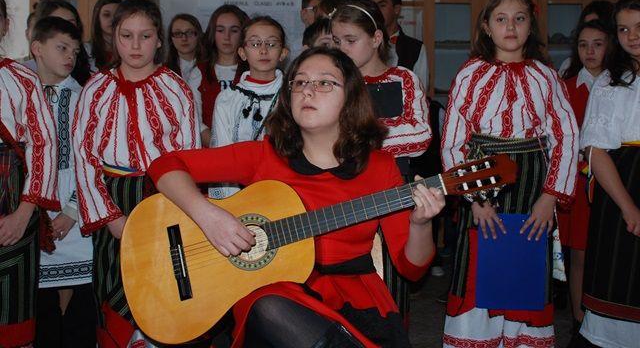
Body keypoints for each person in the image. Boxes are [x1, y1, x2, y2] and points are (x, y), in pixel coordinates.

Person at [148, 47, 445, 347]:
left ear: (351, 97)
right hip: (275, 296)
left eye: (324, 82)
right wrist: (209, 217)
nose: (308, 91)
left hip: (352, 300)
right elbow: (165, 165)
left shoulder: (380, 167)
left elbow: (412, 268)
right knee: (270, 304)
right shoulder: (265, 155)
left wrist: (421, 224)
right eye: (300, 82)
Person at [441, 0, 578, 348]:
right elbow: (454, 141)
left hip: (533, 186)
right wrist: (476, 200)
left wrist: (550, 197)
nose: (511, 27)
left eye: (519, 18)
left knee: (524, 266)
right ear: (487, 27)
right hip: (481, 180)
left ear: (531, 25)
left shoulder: (547, 76)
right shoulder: (469, 74)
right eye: (501, 19)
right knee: (479, 266)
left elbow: (566, 135)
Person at [73, 0, 201, 347]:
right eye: (126, 36)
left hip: (162, 197)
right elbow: (85, 158)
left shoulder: (176, 88)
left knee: (163, 279)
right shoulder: (95, 88)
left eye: (145, 36)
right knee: (113, 280)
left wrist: (177, 208)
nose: (135, 45)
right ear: (113, 37)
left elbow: (189, 157)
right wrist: (111, 218)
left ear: (159, 40)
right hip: (111, 197)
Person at [332, 0, 431, 320]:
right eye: (337, 41)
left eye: (350, 40)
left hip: (395, 189)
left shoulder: (403, 79)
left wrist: (359, 136)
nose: (341, 49)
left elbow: (420, 137)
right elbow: (328, 140)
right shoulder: (334, 82)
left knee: (392, 274)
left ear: (376, 39)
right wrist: (387, 132)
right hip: (343, 189)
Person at [578, 0, 640, 348]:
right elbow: (596, 149)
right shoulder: (609, 81)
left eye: (639, 27)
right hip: (620, 188)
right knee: (620, 279)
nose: (632, 36)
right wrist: (627, 206)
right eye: (623, 29)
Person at [31, 16, 95, 347]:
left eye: (75, 50)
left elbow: (91, 161)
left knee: (78, 308)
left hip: (75, 210)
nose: (70, 56)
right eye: (62, 48)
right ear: (37, 48)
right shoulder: (22, 92)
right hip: (32, 210)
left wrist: (72, 211)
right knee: (41, 310)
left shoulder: (84, 96)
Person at [0, 0, 58, 347]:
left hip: (14, 195)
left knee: (13, 312)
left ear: (5, 25)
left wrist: (25, 213)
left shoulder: (23, 78)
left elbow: (44, 144)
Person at [556, 19, 614, 336]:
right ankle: (578, 323)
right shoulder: (565, 88)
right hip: (578, 182)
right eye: (583, 45)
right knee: (578, 254)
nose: (590, 51)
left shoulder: (619, 85)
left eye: (598, 44)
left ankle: (605, 320)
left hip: (613, 180)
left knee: (608, 253)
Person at [210, 16, 288, 198]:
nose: (263, 50)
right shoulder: (227, 99)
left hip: (285, 189)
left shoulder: (293, 95)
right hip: (239, 192)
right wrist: (232, 202)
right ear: (242, 53)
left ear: (283, 53)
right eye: (255, 44)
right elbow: (222, 154)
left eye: (271, 44)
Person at [196, 5, 249, 146]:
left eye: (234, 30)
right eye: (220, 30)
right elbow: (195, 119)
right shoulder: (199, 72)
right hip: (210, 150)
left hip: (247, 149)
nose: (227, 37)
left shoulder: (253, 71)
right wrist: (218, 146)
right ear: (212, 33)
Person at [369, 0, 428, 90]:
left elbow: (421, 89)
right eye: (373, 6)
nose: (376, 11)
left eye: (382, 5)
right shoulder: (365, 43)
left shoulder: (416, 48)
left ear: (396, 9)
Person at [29, 0, 92, 86]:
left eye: (75, 52)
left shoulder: (87, 86)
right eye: (57, 22)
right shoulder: (22, 77)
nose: (71, 56)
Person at [557, 0, 615, 76]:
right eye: (587, 24)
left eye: (596, 24)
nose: (589, 30)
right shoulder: (568, 65)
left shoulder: (624, 73)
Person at [165, 13, 203, 88]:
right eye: (178, 33)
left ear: (198, 35)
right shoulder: (164, 71)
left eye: (189, 32)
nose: (184, 38)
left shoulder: (210, 68)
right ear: (171, 38)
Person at [87, 0, 121, 71]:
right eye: (107, 15)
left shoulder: (130, 49)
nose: (112, 19)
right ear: (97, 19)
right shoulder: (86, 50)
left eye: (117, 15)